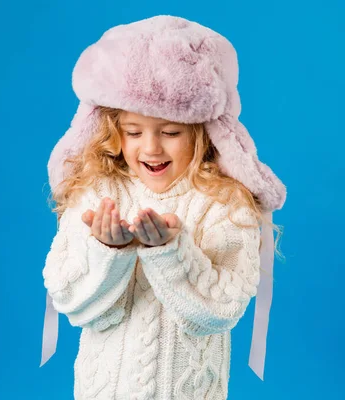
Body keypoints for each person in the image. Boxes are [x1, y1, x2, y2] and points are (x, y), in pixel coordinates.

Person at [40, 15, 287, 399]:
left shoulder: (224, 202)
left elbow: (218, 313)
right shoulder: (97, 192)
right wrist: (110, 252)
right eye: (134, 132)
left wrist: (170, 253)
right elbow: (74, 303)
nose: (152, 148)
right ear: (110, 127)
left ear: (205, 131)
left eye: (171, 132)